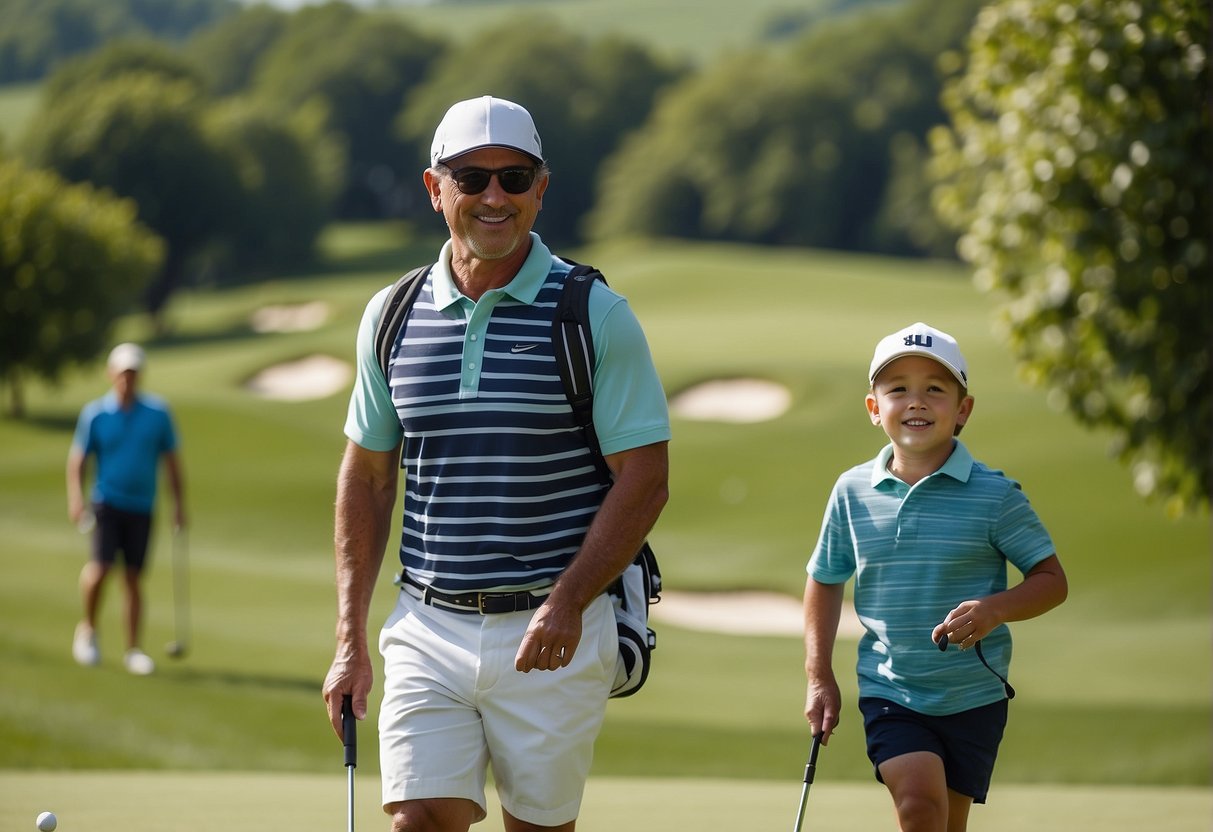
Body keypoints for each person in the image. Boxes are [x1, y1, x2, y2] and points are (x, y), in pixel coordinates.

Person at [321, 95, 670, 832]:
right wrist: (350, 638)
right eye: (470, 177)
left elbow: (645, 478)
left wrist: (571, 599)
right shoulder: (392, 313)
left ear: (541, 189)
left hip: (553, 628)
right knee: (418, 818)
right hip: (426, 623)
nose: (493, 197)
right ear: (433, 188)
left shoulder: (593, 313)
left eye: (514, 178)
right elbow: (369, 476)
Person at [802, 322, 1067, 832]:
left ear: (963, 409)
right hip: (891, 690)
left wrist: (996, 609)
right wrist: (819, 674)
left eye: (935, 389)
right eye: (898, 389)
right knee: (920, 806)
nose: (916, 401)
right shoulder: (852, 490)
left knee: (947, 822)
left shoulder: (995, 496)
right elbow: (825, 578)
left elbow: (1051, 579)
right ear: (874, 409)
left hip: (973, 695)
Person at [67, 342, 187, 676]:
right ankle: (88, 630)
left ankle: (133, 650)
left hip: (142, 506)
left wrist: (179, 504)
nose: (127, 379)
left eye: (133, 373)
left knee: (133, 577)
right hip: (106, 501)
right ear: (111, 374)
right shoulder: (95, 414)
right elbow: (78, 460)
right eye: (122, 373)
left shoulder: (158, 414)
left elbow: (172, 462)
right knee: (101, 567)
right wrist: (76, 498)